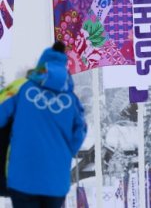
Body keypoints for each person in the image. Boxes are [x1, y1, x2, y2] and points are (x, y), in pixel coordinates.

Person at [0, 41, 87, 208]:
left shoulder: (22, 89)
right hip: (56, 181)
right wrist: (64, 153)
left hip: (23, 177)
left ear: (41, 64)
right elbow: (81, 130)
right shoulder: (72, 100)